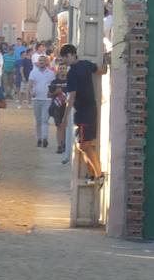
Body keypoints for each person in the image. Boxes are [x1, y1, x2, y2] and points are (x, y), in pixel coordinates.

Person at [59, 44, 106, 180]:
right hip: (89, 110)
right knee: (83, 145)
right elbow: (101, 71)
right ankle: (93, 174)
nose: (65, 60)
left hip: (84, 112)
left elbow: (71, 97)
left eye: (66, 57)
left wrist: (64, 118)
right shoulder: (86, 64)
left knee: (84, 145)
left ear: (72, 54)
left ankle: (98, 174)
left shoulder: (72, 73)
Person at [27, 54, 57, 148]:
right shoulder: (33, 72)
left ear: (46, 62)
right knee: (38, 121)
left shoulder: (51, 73)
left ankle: (45, 138)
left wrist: (52, 95)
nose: (41, 62)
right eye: (40, 61)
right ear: (38, 62)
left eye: (43, 61)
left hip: (47, 99)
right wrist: (31, 92)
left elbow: (53, 86)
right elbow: (30, 84)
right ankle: (39, 139)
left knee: (45, 120)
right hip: (36, 99)